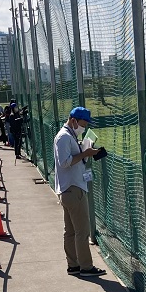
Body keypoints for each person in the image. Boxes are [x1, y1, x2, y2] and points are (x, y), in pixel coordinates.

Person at [53, 106, 105, 277]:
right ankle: (86, 267)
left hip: (69, 189)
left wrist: (85, 150)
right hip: (73, 189)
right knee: (82, 231)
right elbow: (64, 162)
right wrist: (85, 154)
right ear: (73, 120)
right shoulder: (64, 137)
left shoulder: (71, 136)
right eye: (83, 123)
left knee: (71, 231)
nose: (84, 127)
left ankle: (73, 265)